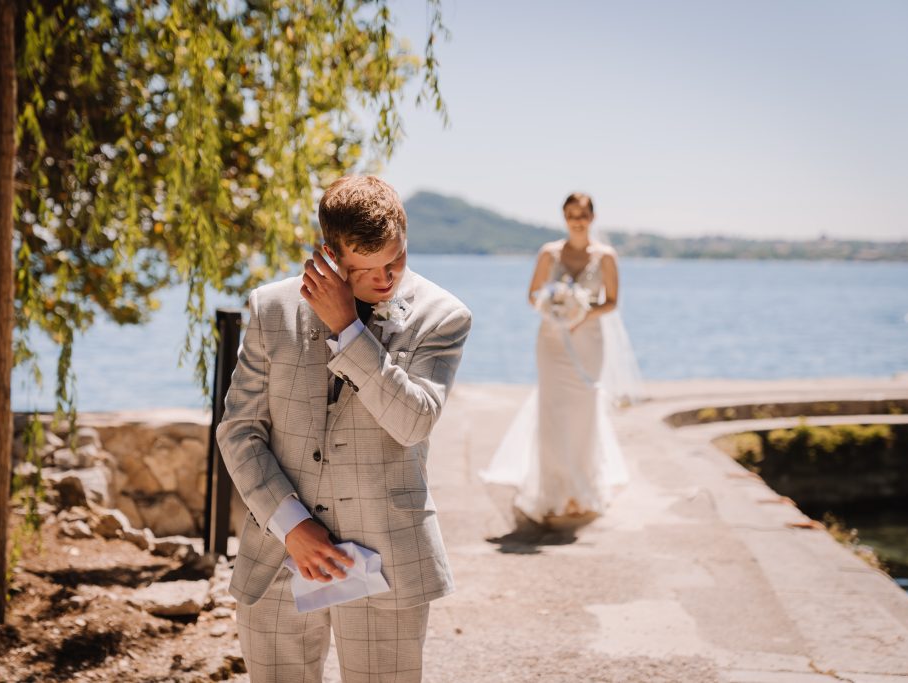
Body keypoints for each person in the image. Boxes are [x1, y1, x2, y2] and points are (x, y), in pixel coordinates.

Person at [216, 175, 471, 682]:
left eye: (395, 259)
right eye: (365, 268)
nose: (386, 278)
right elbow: (239, 431)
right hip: (278, 556)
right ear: (328, 255)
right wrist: (291, 526)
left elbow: (413, 422)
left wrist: (349, 331)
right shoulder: (271, 309)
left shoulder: (443, 316)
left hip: (388, 558)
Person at [481, 192, 635, 524]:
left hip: (589, 340)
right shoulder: (549, 253)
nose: (577, 220)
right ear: (564, 217)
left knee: (583, 410)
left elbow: (611, 303)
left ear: (593, 217)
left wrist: (581, 313)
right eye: (571, 214)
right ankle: (552, 489)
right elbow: (532, 295)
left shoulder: (606, 256)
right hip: (552, 340)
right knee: (552, 408)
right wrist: (555, 307)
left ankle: (582, 487)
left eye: (582, 214)